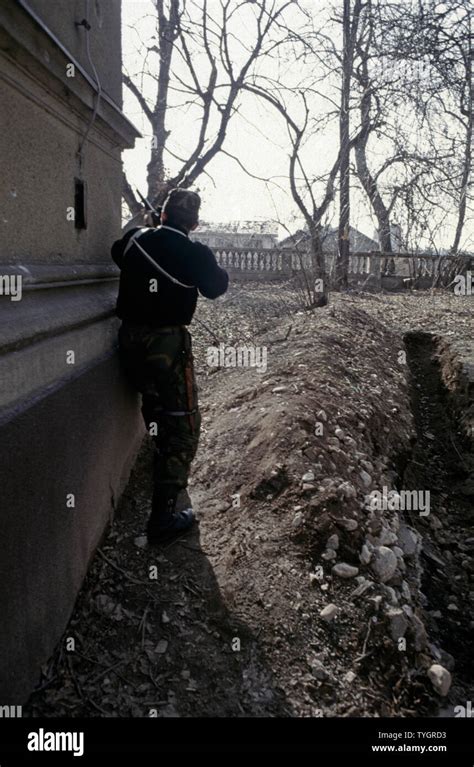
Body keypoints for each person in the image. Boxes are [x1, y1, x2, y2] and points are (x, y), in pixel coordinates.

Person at [111, 189, 229, 544]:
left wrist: (149, 229)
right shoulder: (195, 253)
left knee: (154, 405)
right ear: (194, 222)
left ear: (162, 214)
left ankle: (160, 465)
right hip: (166, 344)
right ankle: (162, 518)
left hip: (129, 341)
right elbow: (217, 287)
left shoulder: (135, 240)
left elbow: (118, 252)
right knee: (183, 423)